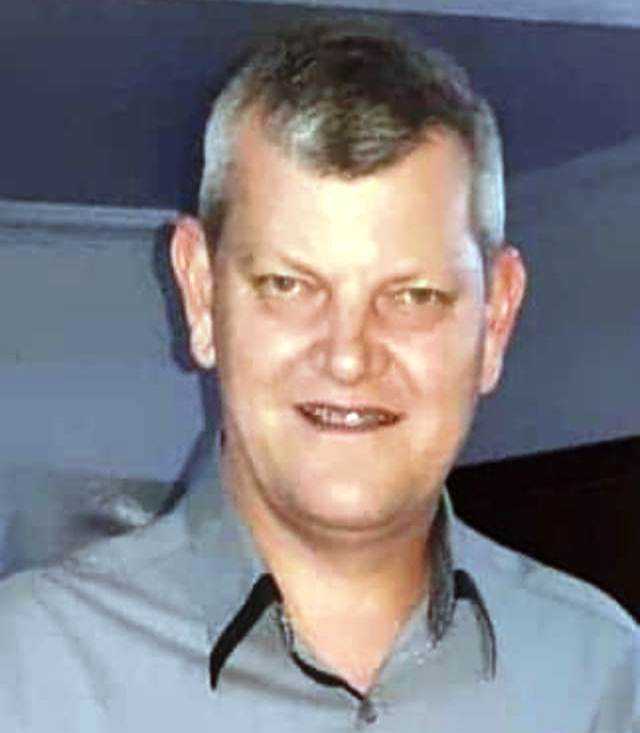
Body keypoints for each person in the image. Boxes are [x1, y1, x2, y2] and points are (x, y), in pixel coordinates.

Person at [0, 19, 637, 732]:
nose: (347, 356)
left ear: (496, 318)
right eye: (289, 285)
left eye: (413, 296)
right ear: (200, 294)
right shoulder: (28, 671)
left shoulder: (607, 677)